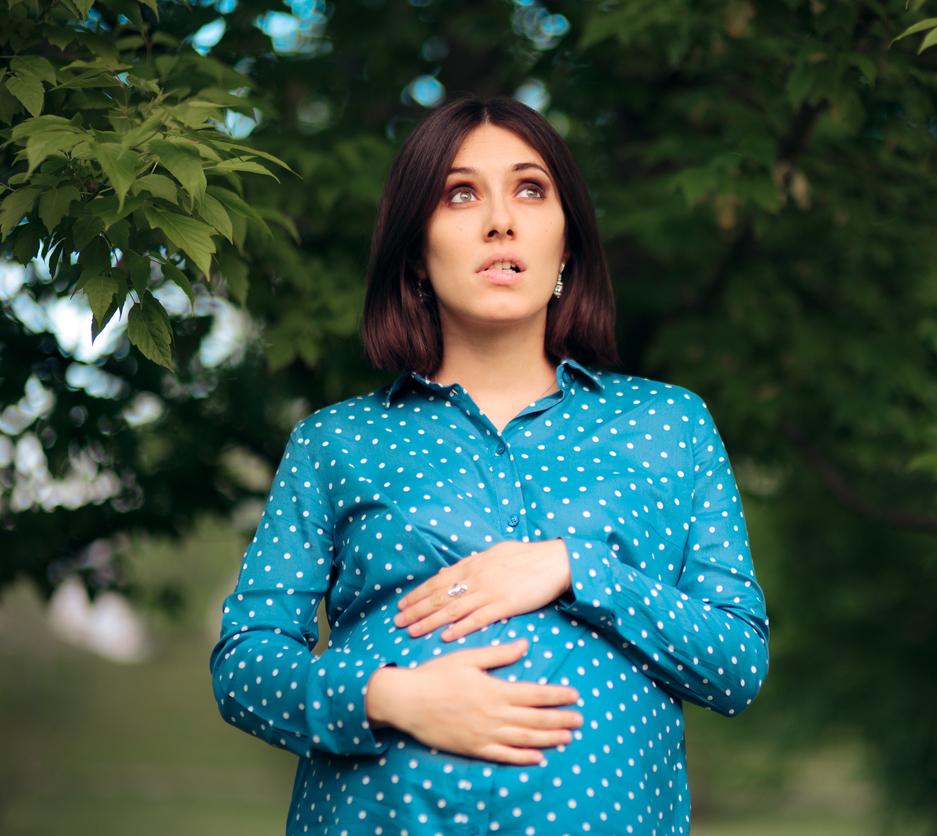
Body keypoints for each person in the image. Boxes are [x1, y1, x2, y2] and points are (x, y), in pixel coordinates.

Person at [208, 94, 770, 835]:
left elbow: (736, 662)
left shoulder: (667, 424)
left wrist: (573, 568)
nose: (500, 220)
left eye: (530, 190)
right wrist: (386, 698)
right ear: (416, 250)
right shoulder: (335, 442)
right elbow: (245, 665)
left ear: (567, 245)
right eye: (461, 193)